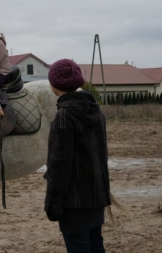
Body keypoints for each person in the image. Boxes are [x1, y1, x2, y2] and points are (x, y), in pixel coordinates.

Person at [44, 59, 112, 253]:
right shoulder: (97, 111)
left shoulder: (64, 117)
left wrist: (53, 203)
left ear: (53, 84)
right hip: (97, 197)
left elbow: (59, 166)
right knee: (96, 246)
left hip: (74, 204)